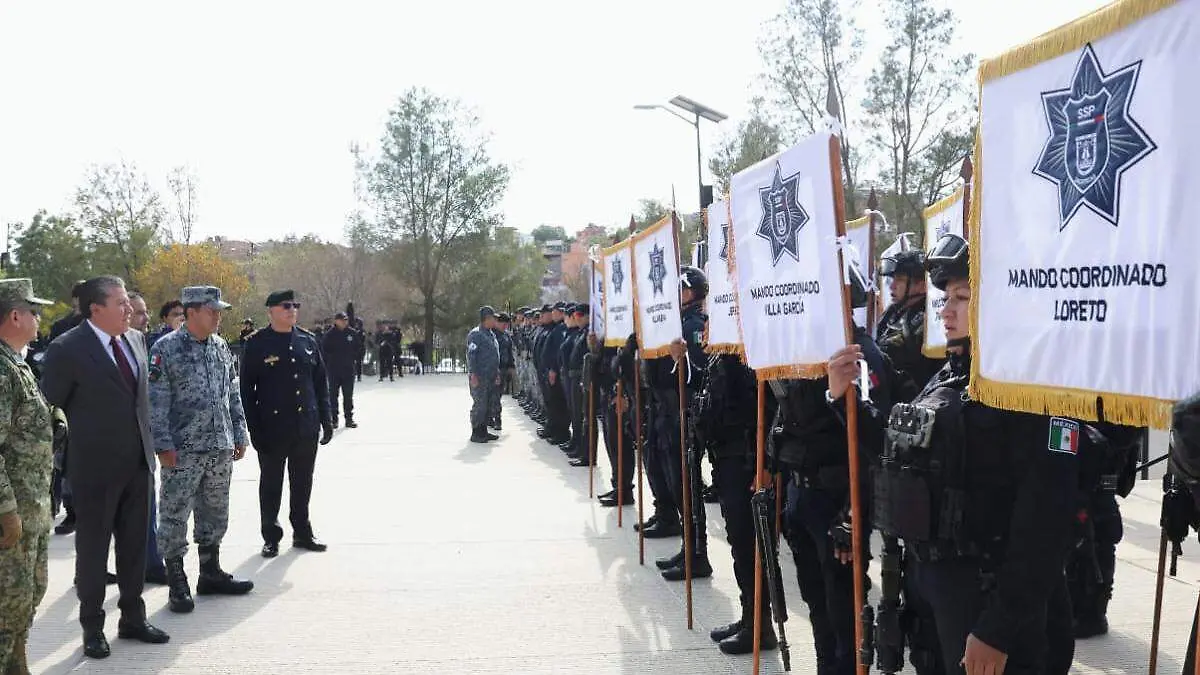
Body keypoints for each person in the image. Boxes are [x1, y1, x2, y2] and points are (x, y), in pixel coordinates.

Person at [863, 233, 1076, 674]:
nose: (946, 308)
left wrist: (998, 628)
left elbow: (1044, 526)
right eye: (945, 296)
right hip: (930, 590)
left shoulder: (1030, 390)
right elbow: (899, 454)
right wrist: (840, 396)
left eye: (963, 296)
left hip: (986, 599)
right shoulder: (950, 375)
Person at [40, 275, 170, 659]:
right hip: (94, 470)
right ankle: (92, 627)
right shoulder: (67, 349)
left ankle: (132, 617)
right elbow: (50, 410)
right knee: (93, 553)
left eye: (129, 302)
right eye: (121, 303)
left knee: (133, 549)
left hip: (139, 465)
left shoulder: (135, 340)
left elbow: (140, 404)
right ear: (95, 309)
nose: (130, 309)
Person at [149, 286, 255, 614]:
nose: (218, 316)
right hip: (183, 450)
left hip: (219, 445)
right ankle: (177, 578)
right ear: (192, 311)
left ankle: (210, 572)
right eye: (213, 310)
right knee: (175, 513)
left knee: (215, 511)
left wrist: (239, 433)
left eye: (220, 310)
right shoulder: (166, 348)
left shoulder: (221, 347)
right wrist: (163, 444)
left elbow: (232, 392)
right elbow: (156, 400)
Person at [239, 290, 334, 558]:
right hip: (273, 427)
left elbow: (319, 384)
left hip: (305, 425)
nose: (292, 310)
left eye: (295, 305)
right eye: (286, 306)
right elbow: (247, 390)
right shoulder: (257, 343)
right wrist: (254, 429)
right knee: (271, 483)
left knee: (302, 481)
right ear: (271, 310)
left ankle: (302, 532)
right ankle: (271, 535)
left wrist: (327, 419)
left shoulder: (307, 340)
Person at [0, 279, 55, 673]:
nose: (39, 318)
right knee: (7, 605)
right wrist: (6, 510)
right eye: (33, 311)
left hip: (33, 504)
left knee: (29, 595)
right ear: (14, 315)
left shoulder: (17, 362)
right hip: (13, 512)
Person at [651, 266, 710, 581]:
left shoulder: (694, 327)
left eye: (682, 289)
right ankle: (689, 547)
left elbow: (699, 371)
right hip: (671, 413)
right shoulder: (677, 323)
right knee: (678, 486)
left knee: (689, 488)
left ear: (693, 292)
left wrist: (680, 359)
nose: (678, 294)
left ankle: (698, 555)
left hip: (687, 414)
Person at [876, 249, 943, 395]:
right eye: (892, 279)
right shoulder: (892, 312)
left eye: (899, 279)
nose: (892, 286)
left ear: (922, 284)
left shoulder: (931, 320)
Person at [467, 307, 501, 443]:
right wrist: (473, 374)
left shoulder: (491, 334)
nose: (495, 320)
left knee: (488, 404)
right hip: (480, 376)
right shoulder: (476, 334)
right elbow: (471, 355)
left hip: (491, 375)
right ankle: (476, 432)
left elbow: (494, 355)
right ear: (487, 318)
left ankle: (484, 431)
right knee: (480, 405)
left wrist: (497, 372)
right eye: (493, 318)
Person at [321, 312, 358, 429]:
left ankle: (349, 419)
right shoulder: (329, 335)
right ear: (336, 321)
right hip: (334, 370)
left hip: (348, 369)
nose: (344, 322)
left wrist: (354, 358)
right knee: (333, 396)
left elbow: (359, 348)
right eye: (341, 320)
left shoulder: (352, 333)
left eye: (346, 320)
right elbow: (324, 351)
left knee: (348, 395)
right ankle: (334, 419)